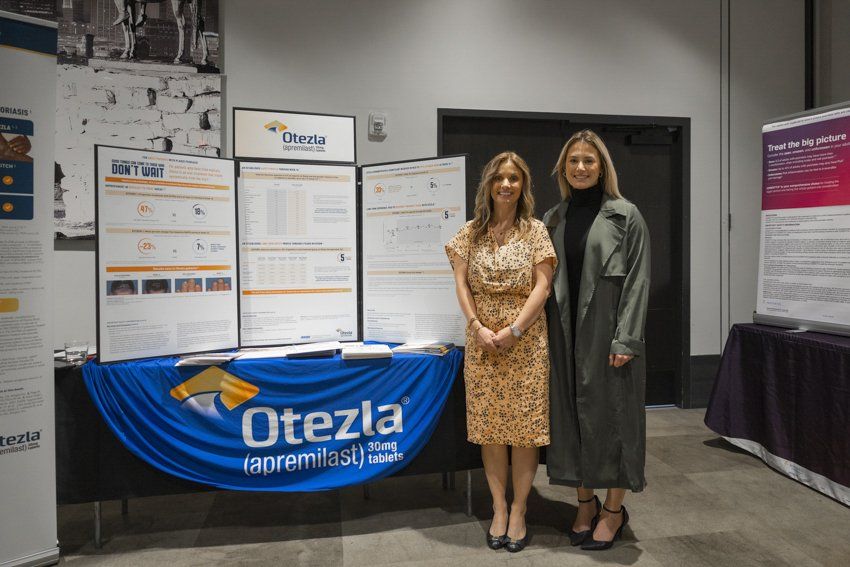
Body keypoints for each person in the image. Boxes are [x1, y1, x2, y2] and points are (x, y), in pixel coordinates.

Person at [543, 130, 650, 550]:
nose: (581, 167)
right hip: (562, 337)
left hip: (610, 337)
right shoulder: (553, 218)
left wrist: (625, 340)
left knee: (615, 422)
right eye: (574, 161)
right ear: (563, 169)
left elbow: (638, 282)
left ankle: (613, 511)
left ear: (602, 167)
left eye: (589, 160)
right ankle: (584, 502)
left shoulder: (627, 216)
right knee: (571, 421)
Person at [445, 152, 556, 553]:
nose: (506, 185)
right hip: (482, 345)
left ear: (523, 185)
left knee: (525, 433)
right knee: (491, 431)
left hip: (525, 344)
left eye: (514, 178)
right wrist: (476, 327)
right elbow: (461, 284)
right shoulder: (468, 234)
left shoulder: (536, 231)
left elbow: (542, 287)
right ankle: (498, 509)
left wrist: (515, 329)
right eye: (499, 178)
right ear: (488, 184)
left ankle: (521, 510)